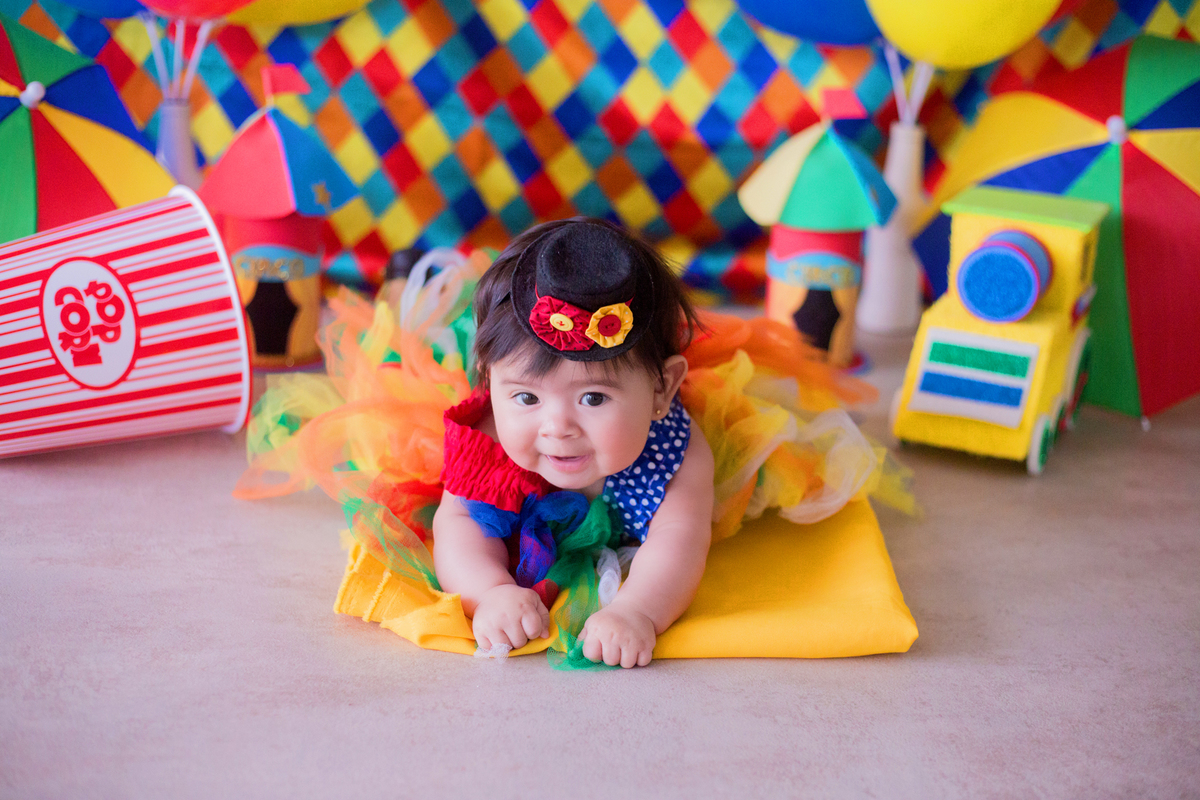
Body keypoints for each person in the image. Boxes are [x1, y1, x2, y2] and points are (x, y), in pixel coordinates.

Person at [431, 218, 714, 669]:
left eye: (593, 397)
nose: (557, 426)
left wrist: (636, 610)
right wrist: (490, 592)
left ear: (662, 390)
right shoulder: (488, 439)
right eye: (526, 397)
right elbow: (458, 522)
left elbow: (681, 540)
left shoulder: (675, 455)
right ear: (489, 379)